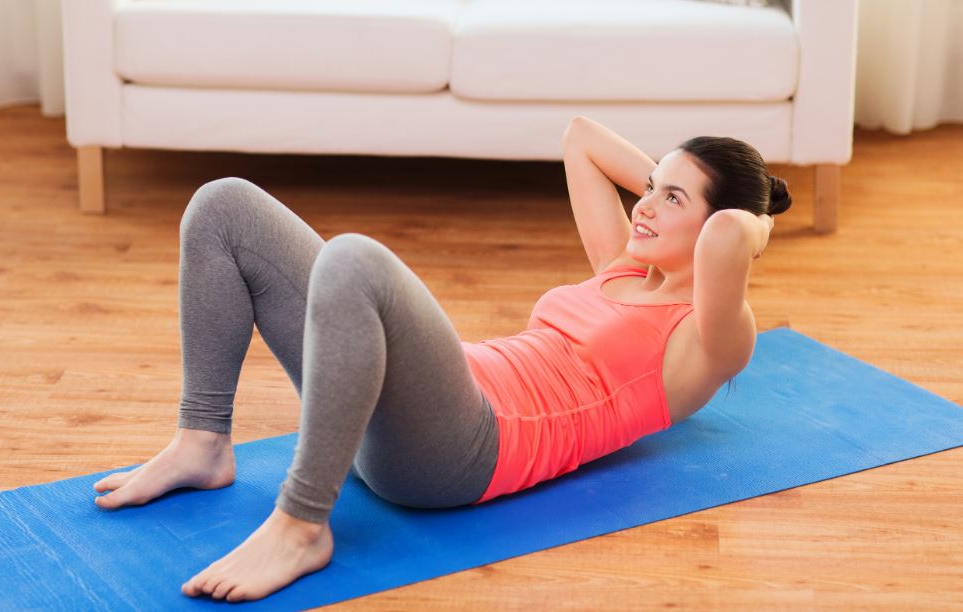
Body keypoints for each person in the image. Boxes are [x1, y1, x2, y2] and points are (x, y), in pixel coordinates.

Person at [91, 115, 791, 602]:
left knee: (354, 260)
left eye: (670, 199)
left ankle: (301, 525)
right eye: (647, 189)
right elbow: (580, 138)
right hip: (414, 405)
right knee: (225, 206)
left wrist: (754, 209)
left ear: (717, 225)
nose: (643, 206)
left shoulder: (709, 341)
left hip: (464, 451)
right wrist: (669, 191)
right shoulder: (619, 265)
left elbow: (728, 233)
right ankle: (202, 442)